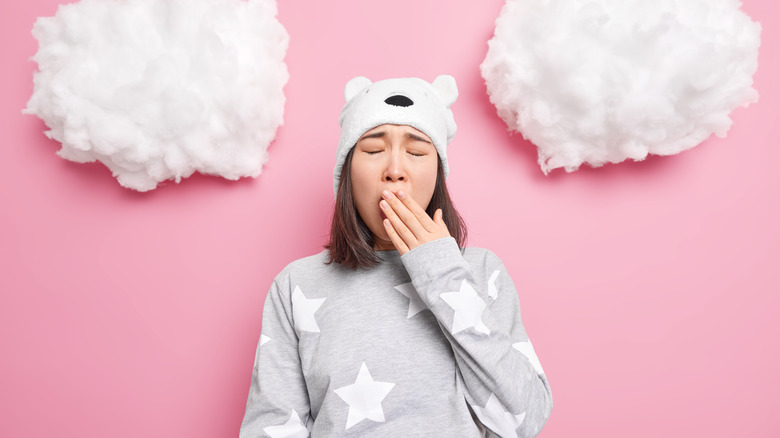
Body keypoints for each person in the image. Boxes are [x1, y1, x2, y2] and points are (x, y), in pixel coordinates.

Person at [239, 75, 553, 437]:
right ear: (347, 173)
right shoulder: (295, 285)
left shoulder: (481, 272)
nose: (395, 171)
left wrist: (440, 271)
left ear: (437, 173)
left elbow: (524, 420)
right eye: (373, 151)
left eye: (417, 152)